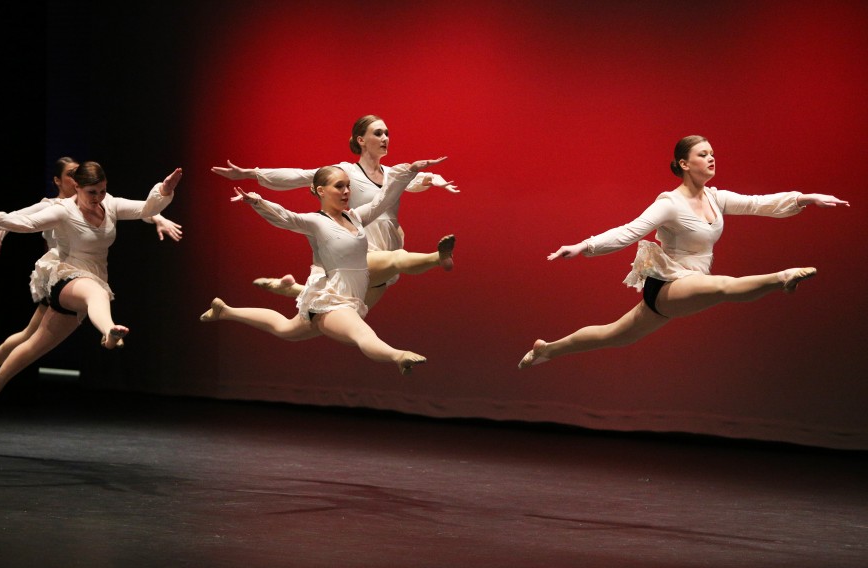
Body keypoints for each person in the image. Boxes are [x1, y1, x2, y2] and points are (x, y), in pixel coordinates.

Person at [519, 135, 849, 369]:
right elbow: (629, 231)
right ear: (684, 163)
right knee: (724, 287)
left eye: (713, 153)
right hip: (667, 283)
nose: (711, 158)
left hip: (688, 283)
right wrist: (584, 246)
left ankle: (548, 351)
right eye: (703, 154)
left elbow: (757, 203)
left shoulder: (715, 198)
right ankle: (783, 278)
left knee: (616, 336)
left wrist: (805, 197)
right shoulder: (670, 204)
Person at [0, 162, 183, 412]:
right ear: (76, 186)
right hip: (65, 276)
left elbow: (145, 208)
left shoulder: (111, 205)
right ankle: (109, 332)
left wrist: (163, 189)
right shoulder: (62, 210)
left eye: (102, 191)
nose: (98, 198)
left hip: (92, 277)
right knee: (95, 292)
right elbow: (27, 222)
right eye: (92, 193)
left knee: (35, 344)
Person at [200, 157, 447, 375]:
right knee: (362, 334)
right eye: (339, 186)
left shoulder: (356, 217)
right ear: (321, 190)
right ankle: (398, 355)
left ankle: (226, 311)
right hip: (333, 302)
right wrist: (257, 201)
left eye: (348, 186)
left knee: (285, 328)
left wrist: (409, 171)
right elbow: (286, 217)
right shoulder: (316, 222)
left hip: (346, 297)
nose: (346, 191)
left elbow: (383, 200)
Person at [212, 114, 458, 311]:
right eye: (378, 133)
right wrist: (251, 173)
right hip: (361, 243)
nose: (385, 138)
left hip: (388, 242)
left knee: (347, 308)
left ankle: (292, 290)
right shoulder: (345, 171)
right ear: (360, 140)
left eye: (387, 133)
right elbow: (301, 175)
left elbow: (415, 180)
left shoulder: (393, 174)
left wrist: (435, 180)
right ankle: (438, 257)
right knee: (398, 261)